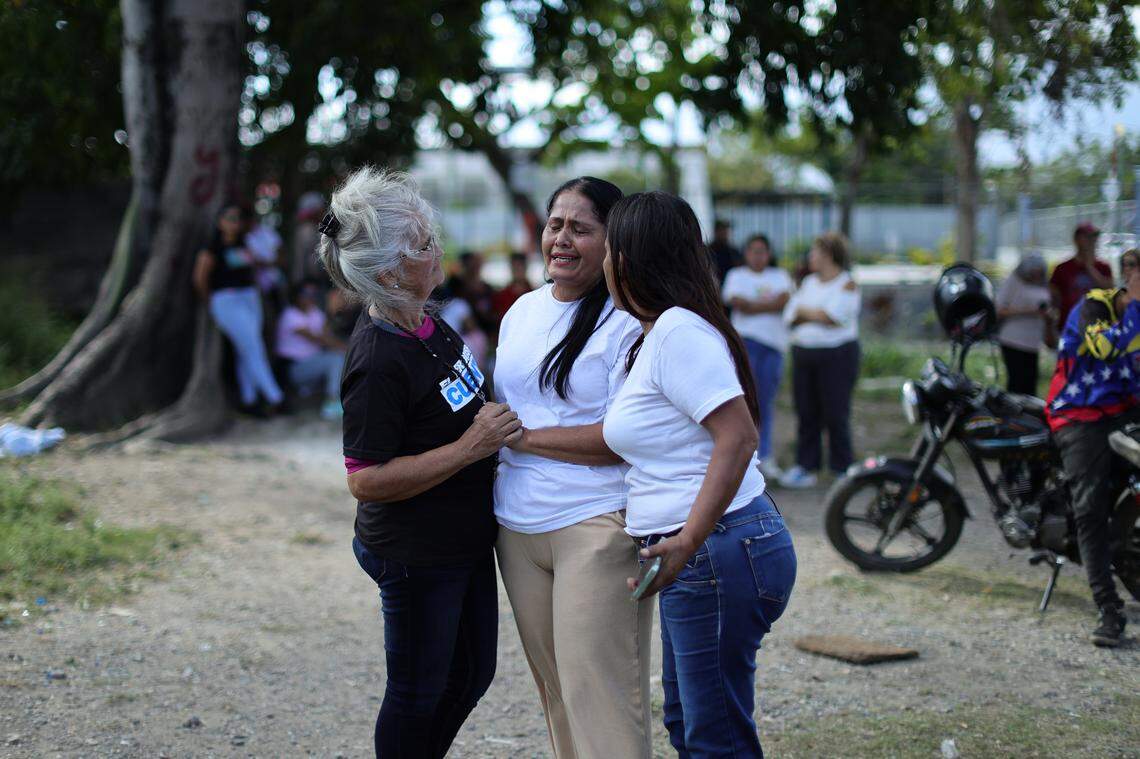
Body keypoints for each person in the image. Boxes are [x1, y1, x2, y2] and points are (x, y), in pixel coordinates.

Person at [317, 167, 521, 756]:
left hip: (461, 540)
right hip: (416, 552)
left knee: (471, 676)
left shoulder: (428, 321)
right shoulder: (377, 360)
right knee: (417, 692)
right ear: (387, 273)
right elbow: (366, 480)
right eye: (424, 245)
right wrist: (469, 449)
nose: (438, 251)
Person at [601, 190, 796, 758]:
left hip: (715, 549)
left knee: (715, 738)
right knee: (690, 722)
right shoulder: (656, 331)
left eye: (610, 249)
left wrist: (687, 539)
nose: (605, 264)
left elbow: (738, 437)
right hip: (708, 553)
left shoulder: (679, 332)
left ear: (632, 258)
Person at [493, 177, 652, 758]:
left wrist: (524, 438)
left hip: (596, 525)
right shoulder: (520, 312)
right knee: (556, 694)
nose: (561, 238)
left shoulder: (629, 322)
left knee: (604, 697)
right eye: (555, 225)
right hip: (516, 527)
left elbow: (625, 438)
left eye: (581, 228)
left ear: (613, 243)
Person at [1045, 247, 1140, 648]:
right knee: (1090, 510)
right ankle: (1109, 609)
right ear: (1129, 278)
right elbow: (1105, 348)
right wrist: (1136, 304)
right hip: (1080, 414)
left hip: (1122, 413)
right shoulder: (1093, 307)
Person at [779, 232, 861, 489]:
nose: (810, 257)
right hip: (804, 353)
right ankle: (806, 466)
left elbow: (833, 317)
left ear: (828, 254)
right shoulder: (809, 283)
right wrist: (811, 314)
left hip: (836, 355)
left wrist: (806, 312)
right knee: (806, 411)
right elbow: (790, 315)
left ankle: (842, 468)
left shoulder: (847, 284)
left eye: (815, 252)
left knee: (836, 411)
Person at [192, 203, 284, 414]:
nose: (235, 223)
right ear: (220, 222)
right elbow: (200, 279)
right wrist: (212, 302)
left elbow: (261, 263)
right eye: (230, 218)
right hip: (226, 300)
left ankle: (249, 400)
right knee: (253, 346)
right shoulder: (211, 249)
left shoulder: (245, 244)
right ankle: (275, 397)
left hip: (249, 297)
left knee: (245, 349)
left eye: (238, 219)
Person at [722, 233, 794, 478]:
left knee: (766, 402)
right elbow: (737, 302)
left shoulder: (780, 276)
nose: (758, 255)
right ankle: (746, 455)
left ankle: (765, 454)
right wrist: (768, 304)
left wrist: (754, 305)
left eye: (762, 251)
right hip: (746, 345)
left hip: (773, 345)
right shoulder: (736, 275)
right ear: (746, 253)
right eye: (753, 250)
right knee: (746, 402)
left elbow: (783, 301)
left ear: (769, 253)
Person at [274, 279, 347, 419]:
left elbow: (327, 335)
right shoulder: (290, 315)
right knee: (336, 359)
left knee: (339, 356)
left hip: (313, 363)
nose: (310, 297)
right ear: (296, 296)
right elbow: (320, 340)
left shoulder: (315, 312)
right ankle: (332, 402)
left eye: (313, 293)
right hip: (294, 369)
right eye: (306, 294)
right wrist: (348, 349)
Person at [995, 252, 1055, 396]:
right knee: (1016, 383)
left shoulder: (1043, 285)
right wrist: (1029, 311)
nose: (1037, 275)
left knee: (1030, 384)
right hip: (1013, 339)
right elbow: (999, 310)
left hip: (1033, 341)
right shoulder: (1014, 282)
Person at [1049, 221, 1113, 330]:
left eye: (1094, 237)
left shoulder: (1103, 267)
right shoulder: (1062, 268)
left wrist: (1089, 267)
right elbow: (1052, 296)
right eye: (1086, 237)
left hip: (1097, 328)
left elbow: (1109, 288)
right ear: (1076, 240)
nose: (1091, 241)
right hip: (1068, 326)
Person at [292, 191, 327, 285]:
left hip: (315, 280)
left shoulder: (315, 228)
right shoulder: (307, 230)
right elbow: (306, 259)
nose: (323, 212)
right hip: (309, 281)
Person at [491, 251, 534, 320]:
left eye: (520, 266)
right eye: (514, 266)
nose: (517, 270)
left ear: (525, 268)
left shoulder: (535, 294)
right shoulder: (501, 297)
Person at [707, 218, 742, 287]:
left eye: (726, 230)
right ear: (716, 231)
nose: (724, 233)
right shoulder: (707, 250)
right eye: (721, 230)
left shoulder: (733, 252)